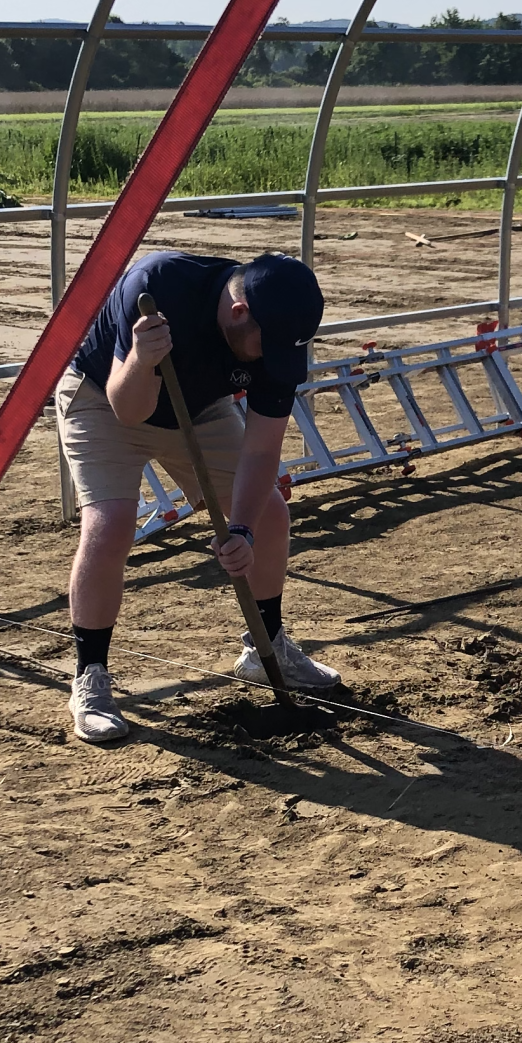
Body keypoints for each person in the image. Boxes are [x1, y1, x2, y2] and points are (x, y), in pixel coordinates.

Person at [57, 248, 342, 744]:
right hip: (106, 397)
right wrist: (145, 359)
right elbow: (130, 409)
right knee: (112, 524)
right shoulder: (158, 286)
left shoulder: (276, 339)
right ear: (239, 312)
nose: (272, 359)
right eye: (266, 345)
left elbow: (261, 450)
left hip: (198, 406)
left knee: (270, 515)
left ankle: (265, 647)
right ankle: (91, 678)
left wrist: (243, 529)